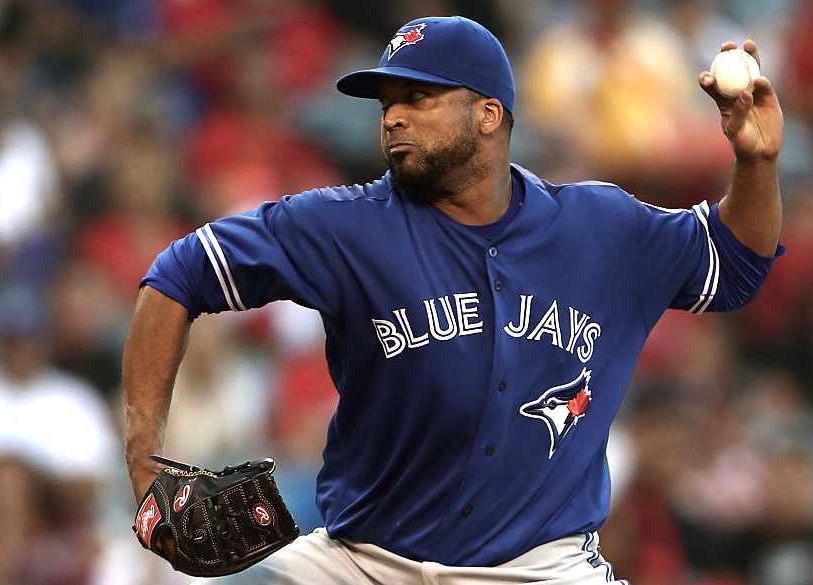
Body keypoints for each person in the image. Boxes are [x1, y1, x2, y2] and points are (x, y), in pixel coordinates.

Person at [122, 15, 784, 584]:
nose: (394, 117)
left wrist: (754, 165)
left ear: (488, 113)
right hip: (364, 560)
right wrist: (144, 458)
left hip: (538, 566)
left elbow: (737, 262)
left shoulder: (600, 228)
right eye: (387, 104)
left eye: (419, 96)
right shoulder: (343, 226)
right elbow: (177, 276)